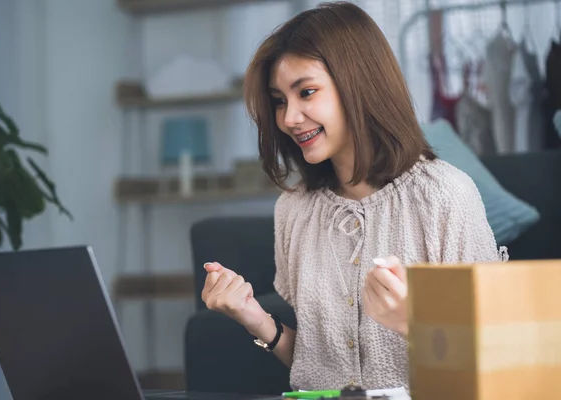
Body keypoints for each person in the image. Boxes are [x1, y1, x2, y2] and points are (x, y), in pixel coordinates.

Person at [201, 1, 507, 393]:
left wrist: (416, 325)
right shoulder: (294, 210)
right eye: (280, 100)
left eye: (306, 92)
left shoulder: (444, 196)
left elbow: (499, 360)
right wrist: (254, 318)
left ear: (359, 85)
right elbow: (319, 372)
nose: (289, 117)